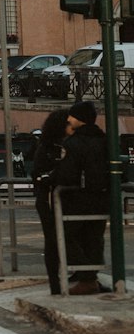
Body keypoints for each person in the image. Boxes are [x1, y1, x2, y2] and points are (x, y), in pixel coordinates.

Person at [49, 99, 109, 296]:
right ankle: (91, 278)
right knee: (94, 239)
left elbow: (67, 174)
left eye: (72, 116)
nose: (68, 119)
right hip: (100, 198)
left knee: (65, 237)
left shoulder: (73, 143)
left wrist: (52, 177)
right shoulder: (104, 139)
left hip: (77, 199)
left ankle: (88, 278)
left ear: (80, 119)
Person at [32, 107, 69, 294]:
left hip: (52, 198)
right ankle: (55, 282)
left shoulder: (49, 147)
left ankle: (63, 280)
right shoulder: (47, 149)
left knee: (56, 241)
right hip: (48, 200)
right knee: (53, 241)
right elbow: (37, 174)